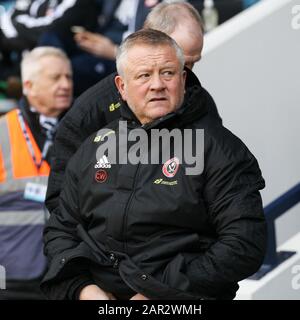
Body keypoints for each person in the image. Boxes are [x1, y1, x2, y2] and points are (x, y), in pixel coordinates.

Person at [41, 29, 266, 300]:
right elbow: (61, 230)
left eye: (168, 73)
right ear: (122, 87)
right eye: (144, 75)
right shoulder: (93, 146)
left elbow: (244, 243)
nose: (157, 84)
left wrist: (158, 293)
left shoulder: (219, 149)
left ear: (183, 79)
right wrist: (82, 290)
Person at [45, 0, 221, 218]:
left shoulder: (202, 105)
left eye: (191, 65)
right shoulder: (88, 113)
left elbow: (224, 196)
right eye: (175, 65)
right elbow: (61, 206)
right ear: (145, 41)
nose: (182, 78)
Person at [0, 47, 73, 299]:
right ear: (29, 86)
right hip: (11, 280)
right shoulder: (2, 132)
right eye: (55, 78)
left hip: (67, 277)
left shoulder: (83, 130)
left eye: (68, 77)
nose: (65, 84)